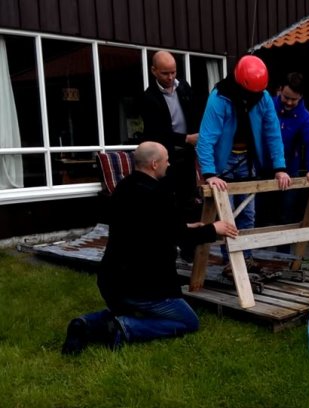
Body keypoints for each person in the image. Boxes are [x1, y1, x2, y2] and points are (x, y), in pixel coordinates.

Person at [61, 141, 239, 355]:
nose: (169, 164)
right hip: (144, 285)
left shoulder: (123, 187)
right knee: (188, 321)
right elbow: (179, 237)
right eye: (166, 160)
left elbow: (148, 227)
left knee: (135, 310)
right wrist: (213, 228)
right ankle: (123, 328)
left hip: (111, 282)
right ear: (154, 164)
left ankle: (85, 324)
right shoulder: (158, 194)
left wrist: (185, 226)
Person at [196, 55, 291, 270]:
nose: (253, 96)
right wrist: (210, 173)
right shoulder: (219, 98)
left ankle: (246, 258)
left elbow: (273, 132)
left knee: (248, 214)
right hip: (224, 163)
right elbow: (206, 138)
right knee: (227, 215)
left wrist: (280, 167)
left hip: (248, 160)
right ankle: (231, 262)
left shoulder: (263, 97)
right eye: (250, 92)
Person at [141, 50, 205, 222]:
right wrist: (185, 138)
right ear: (154, 71)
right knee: (167, 200)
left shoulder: (184, 88)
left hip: (187, 154)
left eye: (173, 72)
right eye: (165, 73)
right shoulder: (149, 98)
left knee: (189, 199)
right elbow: (155, 132)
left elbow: (195, 114)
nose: (170, 77)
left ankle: (189, 236)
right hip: (164, 156)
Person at [260, 72, 309, 252]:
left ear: (301, 97)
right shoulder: (267, 106)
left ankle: (283, 259)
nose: (289, 102)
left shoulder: (305, 117)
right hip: (262, 169)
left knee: (286, 217)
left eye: (294, 99)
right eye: (286, 97)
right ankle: (255, 257)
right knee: (259, 216)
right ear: (280, 90)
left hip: (289, 172)